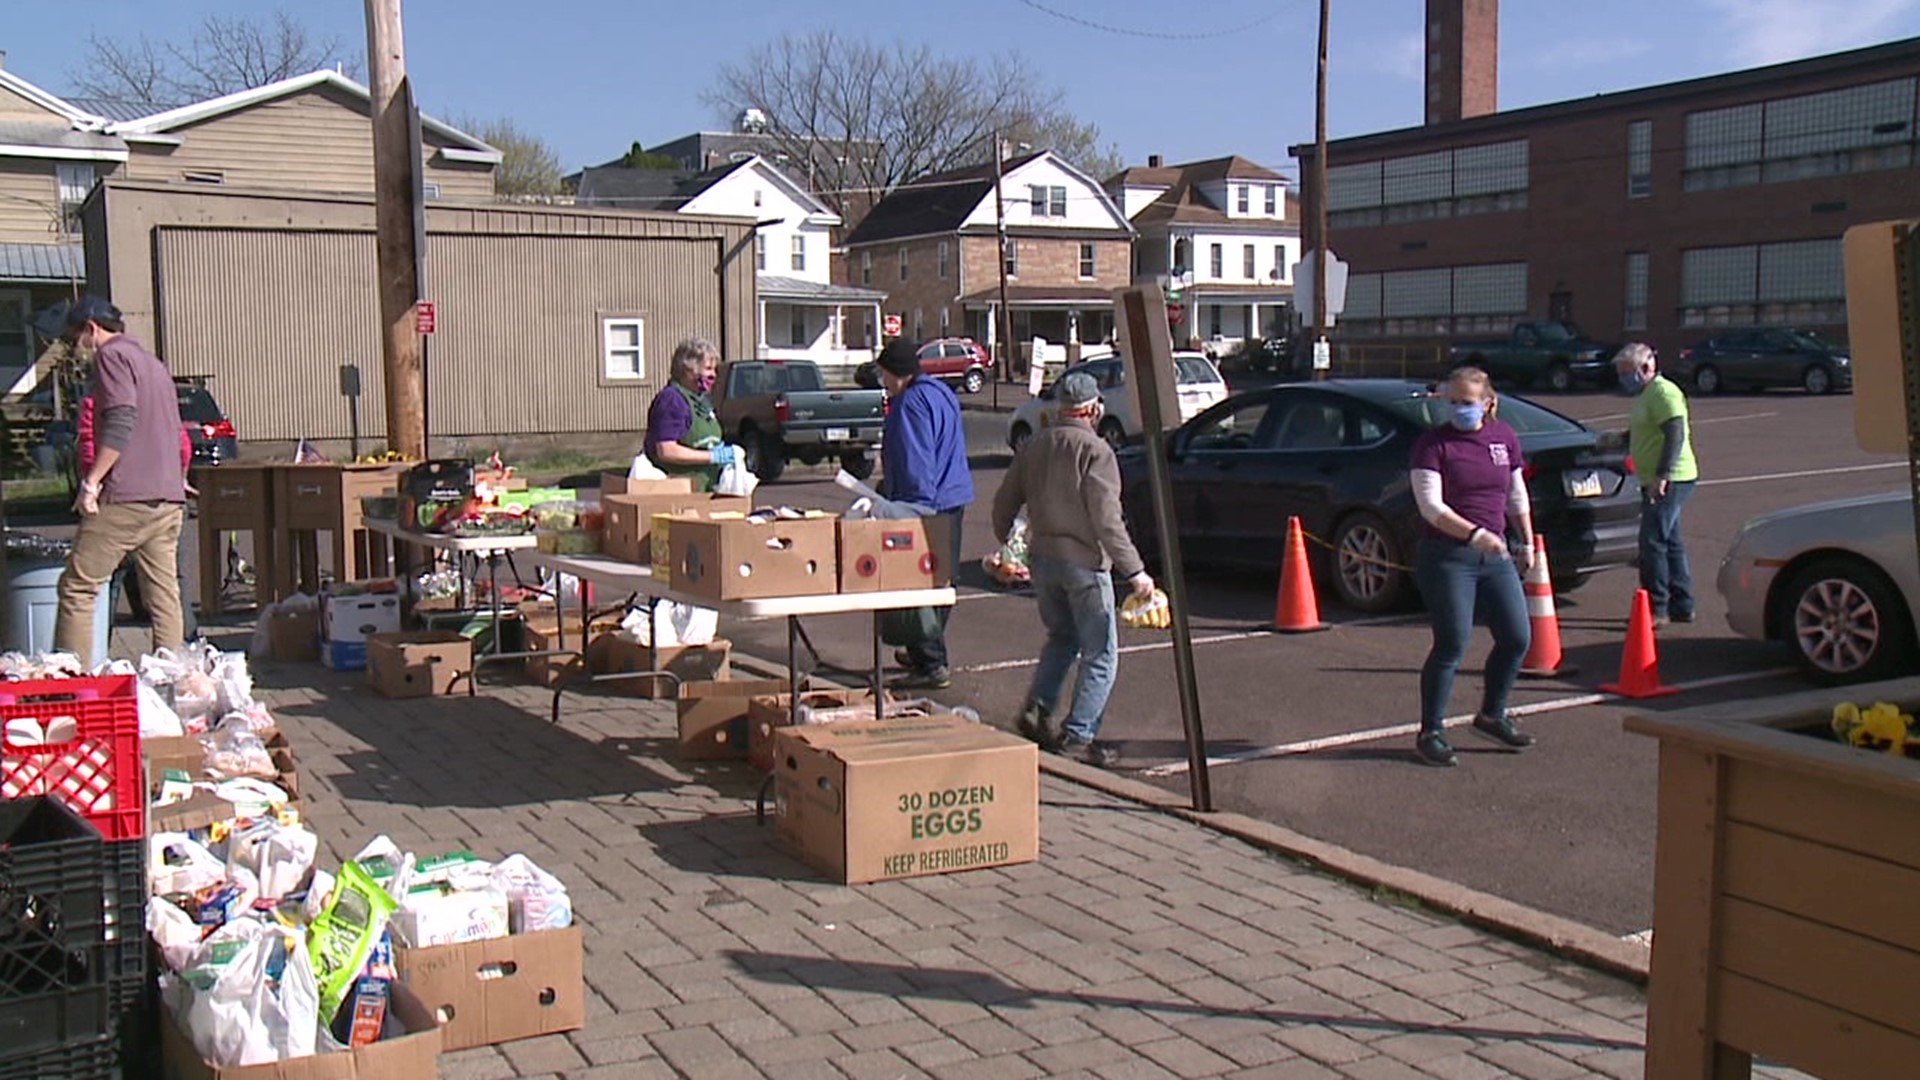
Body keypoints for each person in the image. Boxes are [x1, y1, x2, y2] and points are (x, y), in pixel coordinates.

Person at [993, 371, 1153, 767]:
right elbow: (1107, 520)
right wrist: (1136, 572)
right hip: (1084, 564)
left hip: (1043, 561)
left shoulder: (1033, 446)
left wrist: (1010, 551)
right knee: (1100, 653)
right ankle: (1079, 735)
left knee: (1062, 638)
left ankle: (1038, 708)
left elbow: (1003, 505)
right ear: (1092, 408)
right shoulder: (1097, 452)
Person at [1408, 367, 1536, 767]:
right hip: (1447, 557)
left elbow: (1516, 494)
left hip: (1494, 556)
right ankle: (1431, 731)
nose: (1459, 408)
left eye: (1467, 402)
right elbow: (1431, 508)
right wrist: (1473, 534)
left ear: (1488, 403)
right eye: (1454, 401)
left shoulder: (1504, 439)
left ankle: (1492, 714)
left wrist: (1527, 540)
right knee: (1452, 643)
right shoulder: (1433, 445)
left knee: (1517, 637)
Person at [54, 297, 188, 667]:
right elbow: (174, 431)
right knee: (163, 596)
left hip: (126, 496)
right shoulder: (154, 365)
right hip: (167, 497)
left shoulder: (110, 358)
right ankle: (174, 679)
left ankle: (70, 685)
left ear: (91, 329)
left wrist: (92, 481)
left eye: (73, 338)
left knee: (78, 588)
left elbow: (121, 420)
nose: (74, 348)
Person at [875, 338, 973, 690]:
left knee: (918, 582)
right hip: (953, 495)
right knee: (942, 579)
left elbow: (916, 460)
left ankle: (930, 659)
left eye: (883, 373)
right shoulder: (941, 392)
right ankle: (922, 650)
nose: (881, 381)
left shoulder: (910, 404)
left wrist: (905, 504)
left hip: (927, 502)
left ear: (894, 373)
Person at [1615, 342, 1698, 627]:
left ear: (1647, 368)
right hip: (1657, 478)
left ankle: (1656, 608)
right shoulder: (1646, 395)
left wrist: (1662, 476)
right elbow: (1645, 430)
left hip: (1671, 478)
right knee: (1670, 541)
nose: (1624, 378)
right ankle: (1682, 604)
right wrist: (1619, 440)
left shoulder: (1663, 392)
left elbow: (1675, 432)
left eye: (1628, 372)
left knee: (1652, 542)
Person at [644, 337, 739, 492]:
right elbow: (666, 450)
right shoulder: (672, 400)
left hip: (705, 490)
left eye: (714, 369)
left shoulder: (701, 401)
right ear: (688, 369)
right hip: (678, 492)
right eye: (708, 368)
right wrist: (712, 457)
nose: (713, 375)